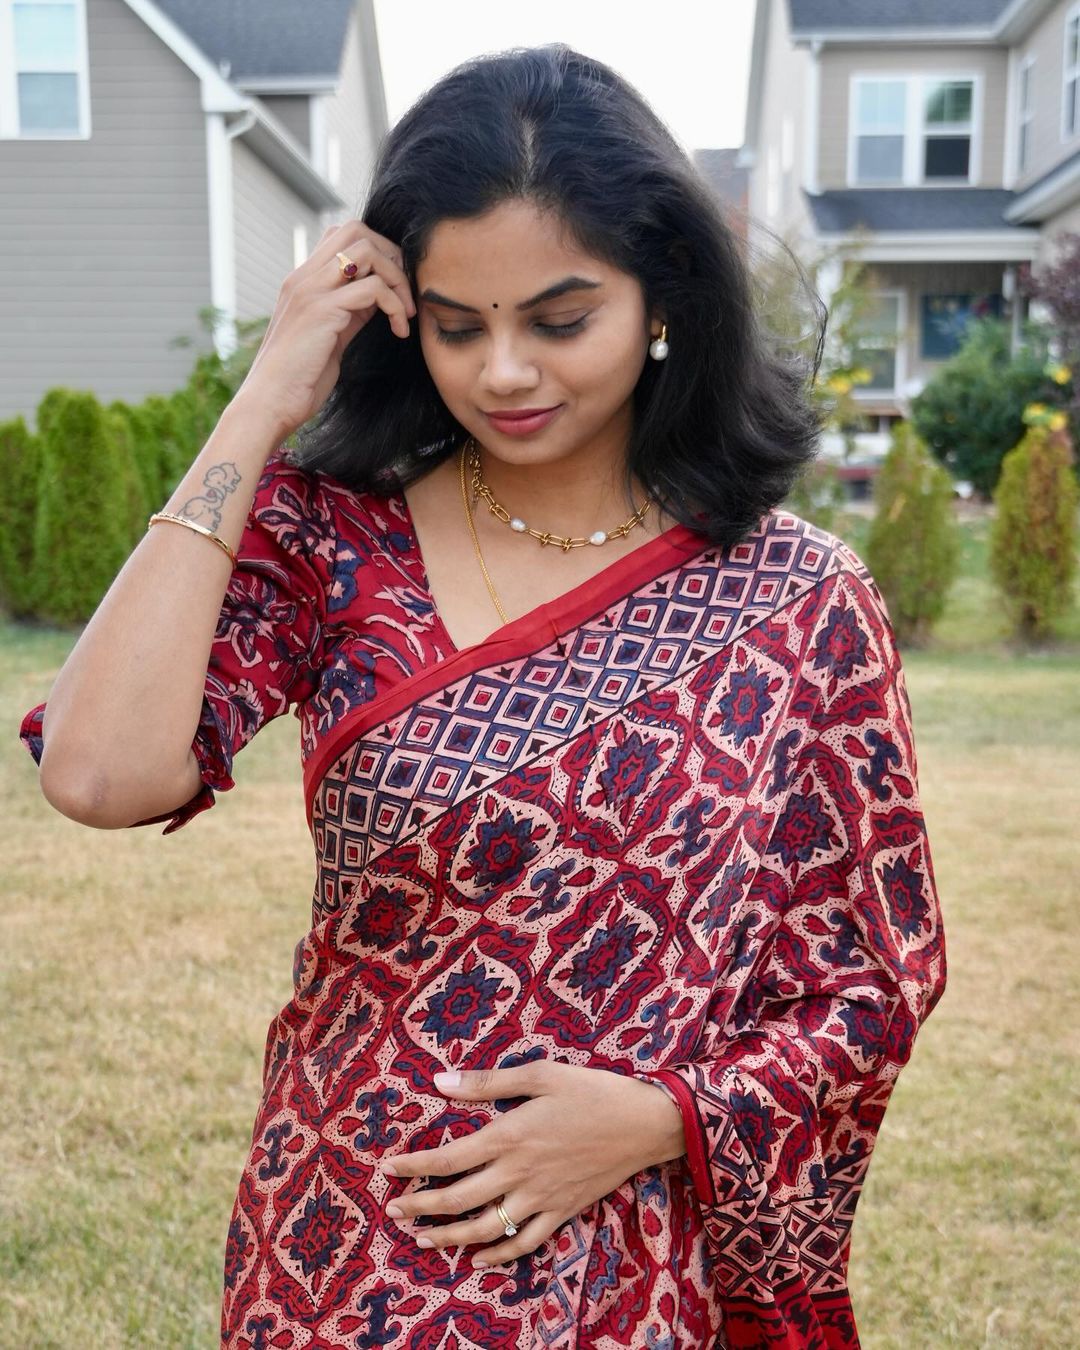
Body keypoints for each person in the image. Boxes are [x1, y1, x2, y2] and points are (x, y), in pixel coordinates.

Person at [20, 44, 947, 1350]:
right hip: (346, 1245)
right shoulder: (338, 546)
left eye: (559, 320)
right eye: (459, 325)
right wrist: (262, 401)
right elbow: (98, 772)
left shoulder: (800, 603)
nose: (504, 370)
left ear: (662, 295)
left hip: (639, 1253)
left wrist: (660, 1116)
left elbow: (869, 978)